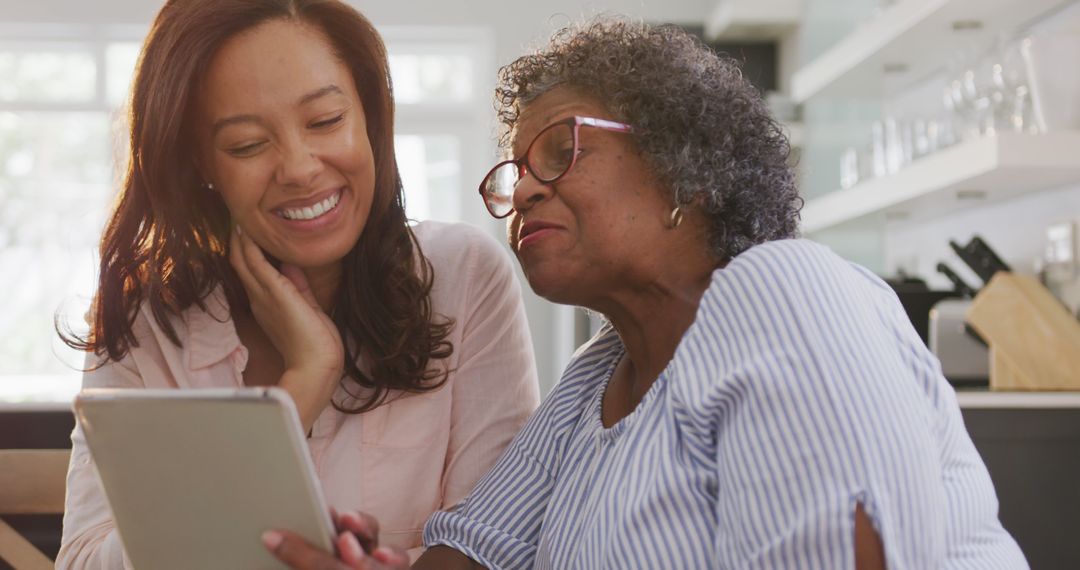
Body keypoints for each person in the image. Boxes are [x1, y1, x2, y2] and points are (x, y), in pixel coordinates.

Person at [263, 18, 1029, 570]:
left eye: (559, 152)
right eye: (512, 173)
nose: (524, 189)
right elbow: (475, 553)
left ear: (687, 169)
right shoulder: (594, 380)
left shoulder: (786, 290)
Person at [55, 0, 540, 566]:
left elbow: (496, 548)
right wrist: (300, 389)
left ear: (370, 119)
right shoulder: (145, 318)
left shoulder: (463, 275)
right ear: (201, 166)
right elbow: (84, 562)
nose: (301, 168)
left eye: (326, 121)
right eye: (247, 145)